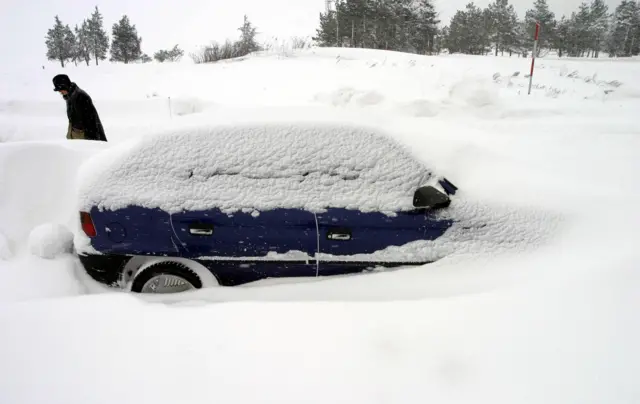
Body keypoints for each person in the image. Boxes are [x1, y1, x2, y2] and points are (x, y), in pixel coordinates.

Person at [52, 74, 107, 142]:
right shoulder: (70, 96)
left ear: (65, 86)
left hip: (84, 135)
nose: (60, 92)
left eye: (60, 89)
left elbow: (91, 121)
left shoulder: (81, 97)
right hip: (75, 133)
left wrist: (93, 140)